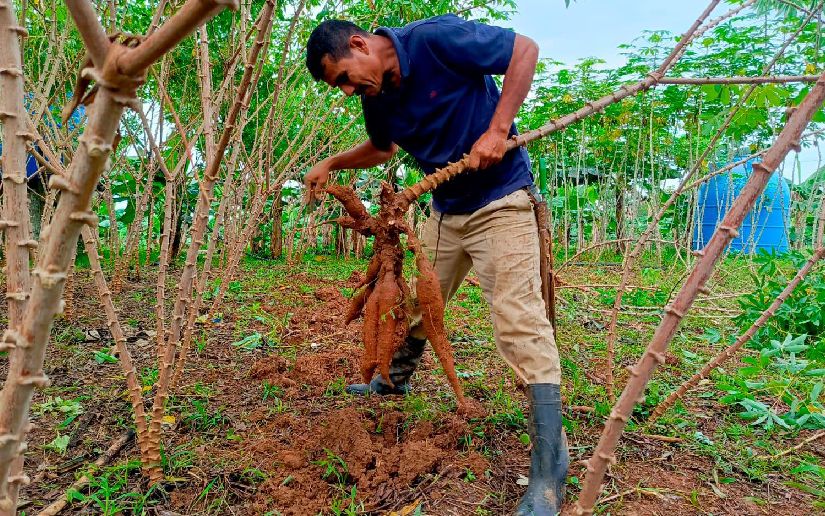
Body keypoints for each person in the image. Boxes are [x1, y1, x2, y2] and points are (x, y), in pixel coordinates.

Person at [303, 15, 567, 514]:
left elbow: (524, 50)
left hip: (501, 201)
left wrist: (497, 129)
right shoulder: (376, 96)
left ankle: (550, 468)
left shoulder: (434, 40)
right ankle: (391, 381)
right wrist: (333, 163)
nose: (345, 91)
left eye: (341, 77)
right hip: (445, 212)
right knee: (417, 306)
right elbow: (383, 149)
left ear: (359, 45)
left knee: (518, 318)